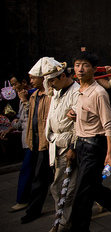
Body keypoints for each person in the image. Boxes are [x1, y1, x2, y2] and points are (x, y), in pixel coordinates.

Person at [68, 51, 111, 231]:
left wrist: (110, 154)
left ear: (94, 69)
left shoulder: (98, 93)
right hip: (81, 145)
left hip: (93, 148)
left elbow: (108, 124)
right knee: (93, 188)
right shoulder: (78, 90)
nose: (80, 69)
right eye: (77, 65)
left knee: (82, 194)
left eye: (86, 65)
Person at [44, 58, 80, 231]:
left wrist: (73, 147)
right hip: (56, 144)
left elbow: (77, 124)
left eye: (53, 81)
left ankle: (63, 224)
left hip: (68, 146)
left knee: (64, 188)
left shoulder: (76, 91)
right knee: (60, 186)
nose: (51, 86)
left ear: (64, 76)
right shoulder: (57, 92)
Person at [20, 57, 54, 224]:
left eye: (34, 78)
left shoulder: (50, 96)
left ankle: (33, 210)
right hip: (35, 143)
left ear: (43, 78)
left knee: (40, 179)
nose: (31, 81)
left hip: (46, 144)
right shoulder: (34, 97)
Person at [4, 74, 35, 213]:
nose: (14, 87)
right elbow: (21, 121)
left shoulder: (32, 96)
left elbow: (31, 121)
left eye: (15, 84)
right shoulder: (22, 98)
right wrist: (12, 127)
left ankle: (22, 200)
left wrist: (24, 101)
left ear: (24, 82)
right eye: (12, 85)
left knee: (26, 170)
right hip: (27, 139)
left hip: (33, 140)